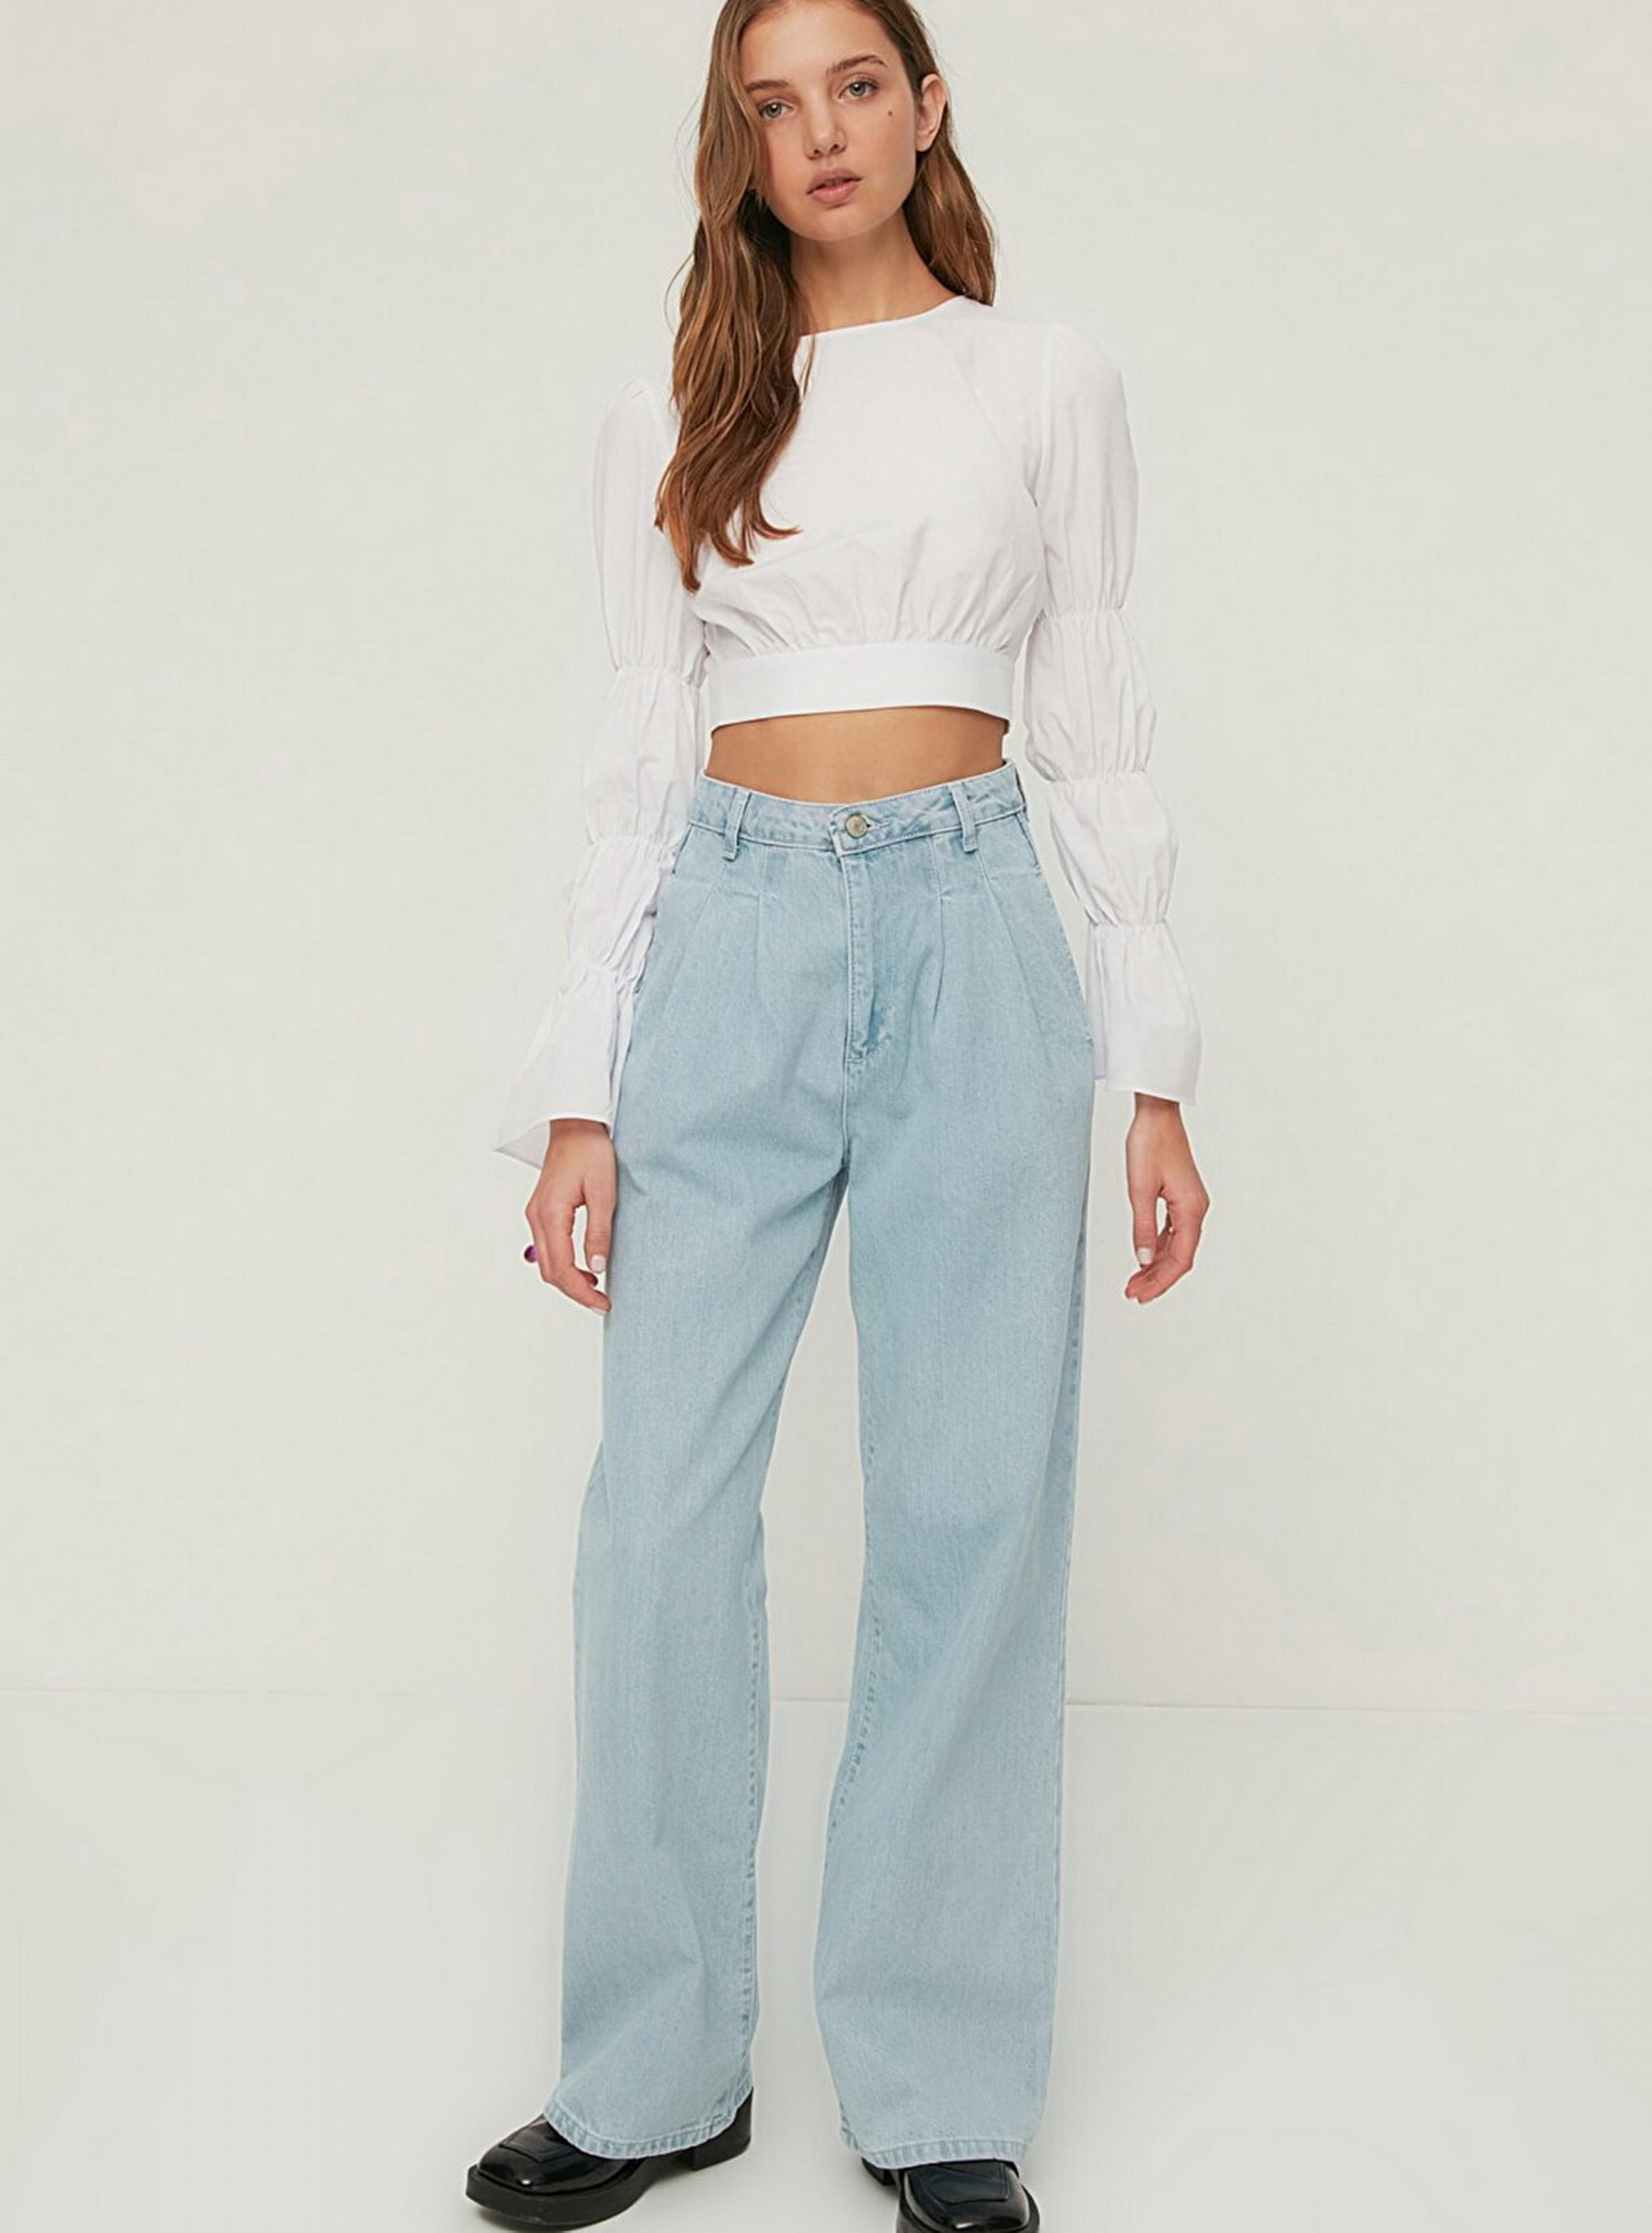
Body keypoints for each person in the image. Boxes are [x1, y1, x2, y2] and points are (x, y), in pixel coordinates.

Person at [466, 2, 1210, 2226]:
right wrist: (575, 1087)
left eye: (857, 84)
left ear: (926, 105)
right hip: (731, 934)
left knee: (972, 1503)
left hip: (980, 925)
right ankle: (651, 2069)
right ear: (739, 141)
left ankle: (939, 2084)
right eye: (772, 103)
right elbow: (635, 742)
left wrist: (1155, 1061)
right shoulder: (676, 408)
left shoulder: (1041, 378)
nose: (821, 133)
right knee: (659, 1517)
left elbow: (1098, 717)